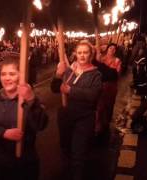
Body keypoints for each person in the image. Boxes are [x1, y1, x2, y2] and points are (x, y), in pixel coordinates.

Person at [0, 54, 48, 180]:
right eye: (3, 74)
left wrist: (31, 100)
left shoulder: (30, 99)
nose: (7, 78)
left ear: (21, 75)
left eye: (12, 74)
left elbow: (41, 124)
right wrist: (3, 133)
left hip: (25, 163)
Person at [51, 40, 102, 180]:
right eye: (79, 53)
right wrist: (58, 74)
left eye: (85, 52)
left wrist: (70, 90)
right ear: (75, 54)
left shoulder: (95, 74)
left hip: (85, 117)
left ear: (90, 54)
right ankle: (66, 173)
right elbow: (55, 88)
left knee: (78, 151)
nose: (82, 55)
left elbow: (92, 95)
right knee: (65, 148)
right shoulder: (70, 70)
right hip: (66, 115)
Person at [94, 43, 121, 140]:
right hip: (101, 86)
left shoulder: (117, 60)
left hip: (111, 87)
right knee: (100, 107)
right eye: (110, 48)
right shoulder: (101, 58)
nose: (112, 50)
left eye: (114, 48)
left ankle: (106, 123)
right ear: (107, 49)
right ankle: (99, 126)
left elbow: (116, 74)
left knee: (109, 105)